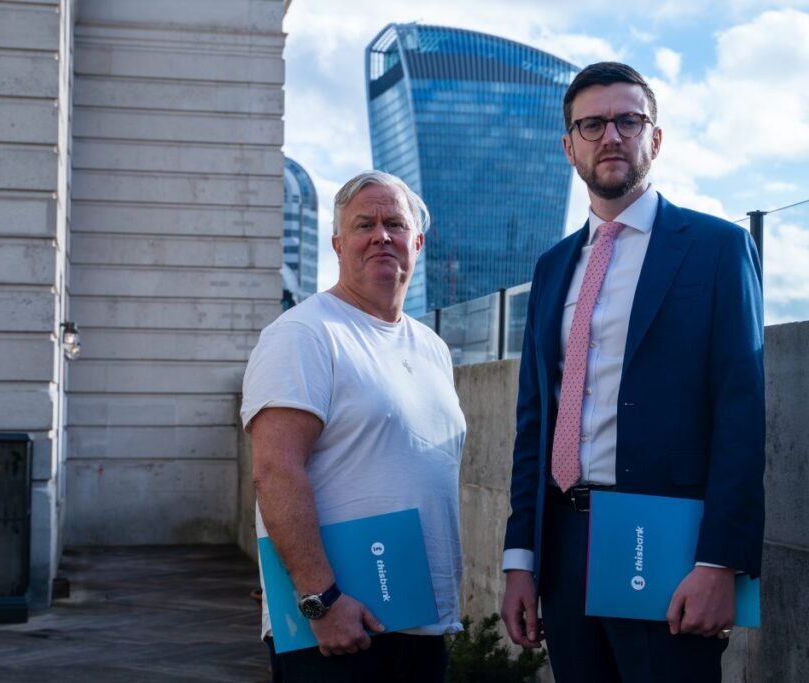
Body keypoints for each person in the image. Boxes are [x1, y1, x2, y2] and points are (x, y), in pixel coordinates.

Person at [499, 61, 765, 683]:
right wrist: (521, 559)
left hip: (668, 545)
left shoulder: (717, 248)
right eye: (591, 125)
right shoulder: (551, 267)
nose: (611, 136)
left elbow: (741, 413)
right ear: (569, 147)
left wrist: (720, 562)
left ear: (655, 138)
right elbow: (534, 423)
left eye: (628, 120)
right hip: (564, 545)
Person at [241, 171, 467, 681]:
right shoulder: (304, 333)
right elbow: (274, 471)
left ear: (417, 243)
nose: (381, 235)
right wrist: (321, 600)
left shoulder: (432, 348)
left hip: (420, 623)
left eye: (395, 224)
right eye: (365, 224)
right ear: (338, 244)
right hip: (334, 632)